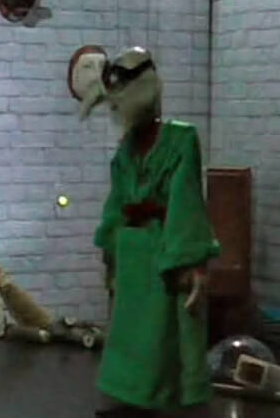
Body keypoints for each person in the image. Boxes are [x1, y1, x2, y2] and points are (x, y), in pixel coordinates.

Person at [69, 47, 220, 416]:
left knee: (165, 336)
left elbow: (187, 202)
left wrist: (192, 262)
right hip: (132, 255)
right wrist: (110, 253)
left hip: (164, 250)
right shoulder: (126, 151)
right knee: (130, 336)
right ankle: (127, 402)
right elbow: (116, 204)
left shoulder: (180, 140)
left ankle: (165, 401)